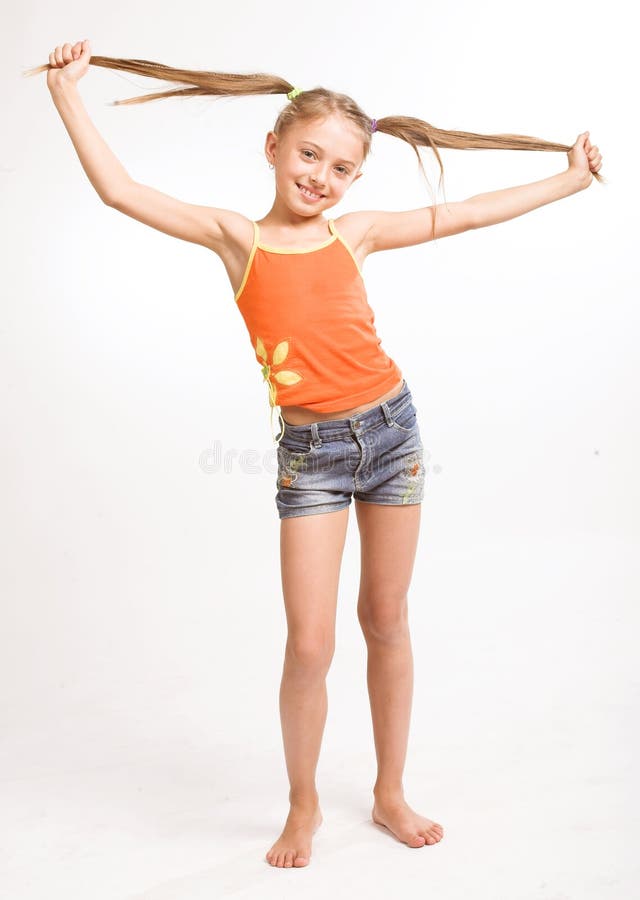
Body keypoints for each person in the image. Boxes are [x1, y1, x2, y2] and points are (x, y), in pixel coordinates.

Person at [28, 40, 604, 870]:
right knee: (309, 645)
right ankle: (302, 806)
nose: (321, 178)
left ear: (354, 181)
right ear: (273, 148)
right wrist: (67, 96)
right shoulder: (237, 240)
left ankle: (389, 792)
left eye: (341, 167)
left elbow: (469, 213)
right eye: (309, 155)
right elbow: (121, 192)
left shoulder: (355, 234)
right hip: (312, 455)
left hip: (393, 435)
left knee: (387, 620)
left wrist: (570, 179)